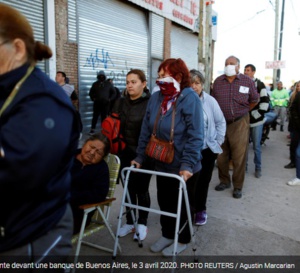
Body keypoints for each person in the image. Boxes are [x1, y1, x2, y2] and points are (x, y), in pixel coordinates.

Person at [0, 2, 80, 265]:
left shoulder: (44, 101)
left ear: (18, 49)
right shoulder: (9, 87)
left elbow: (16, 173)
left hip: (32, 237)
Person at [132, 58, 204, 256]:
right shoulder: (156, 98)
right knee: (165, 201)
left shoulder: (190, 98)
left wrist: (188, 164)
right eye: (160, 76)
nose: (161, 80)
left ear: (179, 77)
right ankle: (167, 234)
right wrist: (139, 156)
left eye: (166, 76)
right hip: (162, 161)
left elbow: (196, 135)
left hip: (184, 166)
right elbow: (146, 129)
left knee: (182, 205)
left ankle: (182, 239)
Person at [114, 69, 154, 241]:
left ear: (143, 84)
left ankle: (142, 223)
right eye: (128, 82)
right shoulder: (121, 102)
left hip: (144, 154)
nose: (129, 85)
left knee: (142, 190)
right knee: (128, 189)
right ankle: (130, 222)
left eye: (134, 82)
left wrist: (142, 155)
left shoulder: (151, 103)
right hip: (124, 153)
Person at [211, 56, 259, 199]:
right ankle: (224, 181)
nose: (228, 66)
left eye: (231, 64)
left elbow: (254, 100)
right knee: (221, 155)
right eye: (226, 64)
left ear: (238, 66)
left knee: (239, 156)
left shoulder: (247, 81)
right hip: (220, 123)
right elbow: (213, 101)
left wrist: (242, 112)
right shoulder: (218, 82)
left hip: (239, 123)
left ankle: (238, 186)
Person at [190, 69, 226, 225]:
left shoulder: (210, 101)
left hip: (207, 150)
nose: (194, 86)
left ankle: (200, 210)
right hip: (189, 151)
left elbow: (220, 122)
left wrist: (218, 141)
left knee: (203, 182)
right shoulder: (182, 100)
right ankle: (187, 209)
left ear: (202, 85)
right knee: (189, 183)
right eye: (190, 83)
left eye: (197, 83)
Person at [70, 134, 110, 234]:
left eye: (98, 152)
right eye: (91, 147)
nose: (92, 152)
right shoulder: (68, 156)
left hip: (76, 213)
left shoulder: (101, 169)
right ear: (85, 143)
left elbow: (99, 194)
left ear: (103, 157)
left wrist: (71, 196)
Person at [244, 64, 270, 178]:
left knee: (256, 147)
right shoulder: (242, 83)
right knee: (243, 147)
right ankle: (243, 168)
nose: (246, 72)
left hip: (257, 122)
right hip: (244, 121)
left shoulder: (259, 84)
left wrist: (256, 114)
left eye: (248, 70)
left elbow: (265, 101)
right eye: (245, 70)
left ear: (253, 72)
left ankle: (258, 168)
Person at [89, 70, 116, 135]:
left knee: (104, 117)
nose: (101, 77)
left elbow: (114, 92)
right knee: (95, 116)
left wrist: (110, 99)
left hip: (105, 104)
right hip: (97, 104)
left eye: (102, 76)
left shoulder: (108, 84)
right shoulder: (95, 84)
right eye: (100, 76)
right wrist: (93, 98)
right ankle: (92, 129)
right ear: (98, 77)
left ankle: (104, 130)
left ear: (104, 76)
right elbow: (91, 93)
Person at [285, 81, 300, 169]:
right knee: (294, 145)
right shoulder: (294, 96)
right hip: (295, 125)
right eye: (297, 86)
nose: (298, 87)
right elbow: (292, 110)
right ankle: (293, 162)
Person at [287, 89, 300, 186]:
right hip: (297, 128)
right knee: (297, 152)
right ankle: (298, 177)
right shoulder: (298, 95)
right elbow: (293, 109)